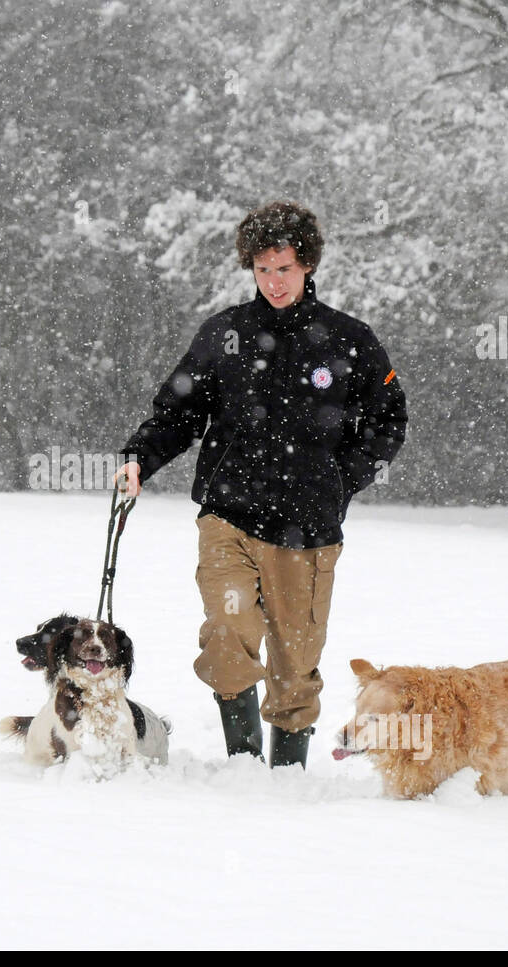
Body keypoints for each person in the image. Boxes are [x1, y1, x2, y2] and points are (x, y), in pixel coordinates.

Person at [114, 201, 408, 768]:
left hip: (308, 529)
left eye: (286, 268)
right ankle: (244, 765)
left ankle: (288, 774)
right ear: (251, 267)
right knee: (227, 632)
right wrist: (139, 459)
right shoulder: (224, 334)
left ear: (308, 267)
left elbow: (388, 419)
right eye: (264, 269)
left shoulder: (348, 340)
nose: (274, 281)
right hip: (228, 516)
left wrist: (341, 478)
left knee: (296, 662)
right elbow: (179, 412)